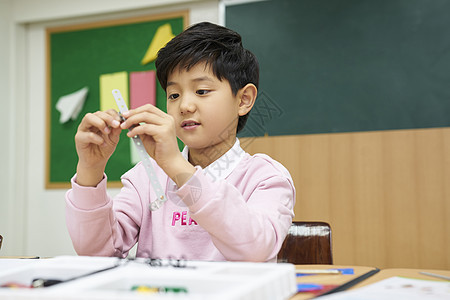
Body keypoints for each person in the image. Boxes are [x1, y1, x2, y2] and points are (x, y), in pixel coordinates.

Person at [65, 22, 295, 262]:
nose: (185, 106)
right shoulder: (146, 177)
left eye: (202, 91)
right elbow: (96, 253)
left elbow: (255, 248)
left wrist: (176, 166)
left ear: (243, 100)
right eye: (174, 95)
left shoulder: (266, 177)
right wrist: (90, 170)